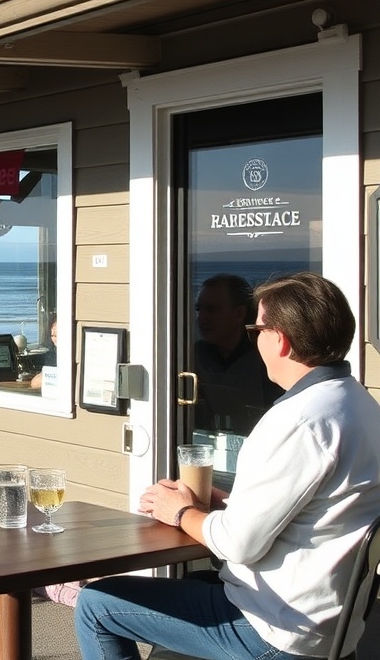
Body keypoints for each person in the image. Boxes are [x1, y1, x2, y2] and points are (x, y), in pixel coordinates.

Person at [75, 272, 380, 660]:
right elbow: (315, 510)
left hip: (276, 629)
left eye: (258, 329)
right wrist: (225, 502)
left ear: (281, 340)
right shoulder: (360, 405)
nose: (255, 339)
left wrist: (180, 511)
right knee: (193, 586)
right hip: (332, 628)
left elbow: (239, 544)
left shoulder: (299, 421)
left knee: (97, 603)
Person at [193, 274, 282, 433]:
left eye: (212, 310)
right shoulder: (194, 357)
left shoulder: (266, 360)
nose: (202, 319)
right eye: (199, 310)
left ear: (239, 314)